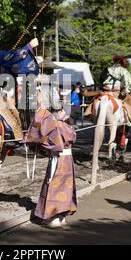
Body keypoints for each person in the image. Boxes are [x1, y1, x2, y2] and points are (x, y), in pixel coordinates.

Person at [27, 88, 77, 227]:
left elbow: (36, 137)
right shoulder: (66, 123)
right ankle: (61, 216)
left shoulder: (51, 122)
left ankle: (53, 217)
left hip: (58, 158)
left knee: (54, 185)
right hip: (68, 159)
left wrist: (40, 108)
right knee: (65, 186)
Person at [101, 56, 131, 126]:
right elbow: (127, 82)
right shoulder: (123, 70)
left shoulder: (106, 69)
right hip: (116, 93)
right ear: (122, 63)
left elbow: (101, 80)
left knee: (94, 101)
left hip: (105, 91)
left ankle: (89, 113)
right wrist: (124, 92)